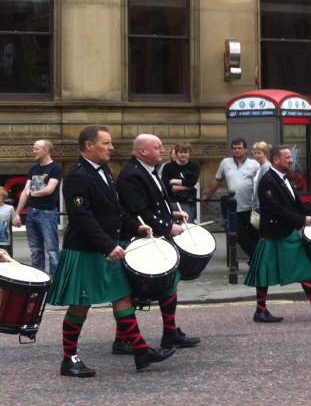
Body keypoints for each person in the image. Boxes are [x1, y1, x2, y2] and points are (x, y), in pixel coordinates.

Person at [49, 125, 174, 377]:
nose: (111, 148)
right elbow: (82, 218)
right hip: (85, 251)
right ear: (89, 146)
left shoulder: (104, 170)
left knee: (122, 296)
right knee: (80, 305)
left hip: (109, 246)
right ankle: (68, 359)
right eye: (106, 143)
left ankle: (140, 351)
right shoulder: (76, 176)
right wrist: (107, 245)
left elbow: (115, 209)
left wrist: (136, 226)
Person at [112, 133, 200, 354]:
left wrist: (172, 214)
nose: (163, 150)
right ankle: (121, 341)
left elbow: (155, 204)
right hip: (140, 239)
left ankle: (169, 333)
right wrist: (167, 227)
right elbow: (138, 210)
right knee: (131, 291)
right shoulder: (132, 174)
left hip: (153, 236)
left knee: (170, 283)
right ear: (142, 151)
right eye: (158, 147)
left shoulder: (148, 170)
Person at [244, 145, 311, 323]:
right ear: (276, 160)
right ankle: (260, 311)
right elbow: (276, 209)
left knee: (303, 268)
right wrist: (302, 220)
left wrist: (310, 210)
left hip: (287, 232)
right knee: (264, 272)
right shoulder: (267, 181)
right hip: (273, 234)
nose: (291, 160)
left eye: (290, 157)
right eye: (287, 157)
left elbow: (293, 205)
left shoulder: (284, 179)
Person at [201, 138, 259, 259]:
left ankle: (257, 261)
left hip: (251, 207)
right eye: (234, 148)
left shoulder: (254, 164)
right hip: (235, 208)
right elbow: (217, 180)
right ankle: (256, 258)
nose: (237, 150)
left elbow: (261, 183)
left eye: (239, 148)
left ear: (245, 149)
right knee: (239, 236)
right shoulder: (225, 163)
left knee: (255, 235)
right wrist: (208, 195)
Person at [13, 139, 62, 276]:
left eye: (36, 149)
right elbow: (25, 191)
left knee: (52, 250)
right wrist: (17, 214)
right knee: (35, 250)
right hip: (31, 212)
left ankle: (54, 280)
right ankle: (39, 278)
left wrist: (31, 193)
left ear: (46, 150)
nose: (33, 151)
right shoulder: (33, 169)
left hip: (46, 212)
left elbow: (49, 190)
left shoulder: (55, 168)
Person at [161, 141, 200, 224]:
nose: (183, 155)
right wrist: (186, 187)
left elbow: (192, 182)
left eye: (185, 152)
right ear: (176, 153)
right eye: (181, 152)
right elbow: (165, 187)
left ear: (189, 153)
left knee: (187, 227)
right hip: (171, 202)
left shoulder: (194, 166)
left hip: (187, 203)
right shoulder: (168, 167)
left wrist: (173, 181)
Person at [250, 140, 270, 226]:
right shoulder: (259, 166)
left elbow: (265, 187)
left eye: (259, 153)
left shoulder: (266, 167)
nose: (256, 155)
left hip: (261, 205)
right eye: (255, 153)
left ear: (265, 154)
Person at [0, 188, 12, 258]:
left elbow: (14, 221)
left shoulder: (9, 208)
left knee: (4, 258)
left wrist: (17, 221)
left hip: (4, 241)